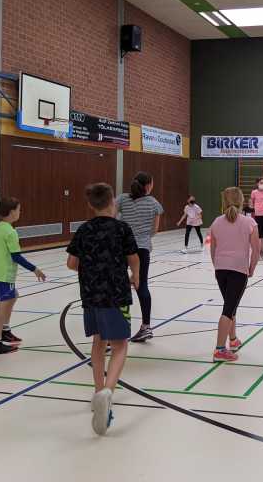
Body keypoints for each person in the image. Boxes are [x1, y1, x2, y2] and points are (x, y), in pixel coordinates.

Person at [68, 183, 140, 436]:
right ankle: (108, 391)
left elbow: (71, 263)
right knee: (120, 345)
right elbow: (133, 257)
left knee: (98, 342)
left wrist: (92, 269)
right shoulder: (122, 229)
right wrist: (136, 275)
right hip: (116, 294)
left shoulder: (84, 229)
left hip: (90, 294)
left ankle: (98, 390)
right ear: (113, 202)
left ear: (90, 205)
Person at [0, 197, 46, 355]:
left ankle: (5, 331)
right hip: (4, 275)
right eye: (19, 209)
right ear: (12, 212)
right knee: (2, 306)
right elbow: (16, 257)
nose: (20, 212)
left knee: (13, 296)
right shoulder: (10, 232)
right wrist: (35, 269)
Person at [209, 187, 260, 362]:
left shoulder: (216, 222)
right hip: (238, 270)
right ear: (241, 201)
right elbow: (256, 250)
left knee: (231, 305)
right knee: (228, 309)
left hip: (221, 270)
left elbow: (213, 249)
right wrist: (251, 268)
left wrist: (217, 266)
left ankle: (233, 339)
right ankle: (219, 349)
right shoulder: (249, 222)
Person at [116, 172, 163, 343]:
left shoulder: (122, 199)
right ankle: (146, 327)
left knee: (119, 286)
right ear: (148, 185)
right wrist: (142, 237)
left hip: (123, 248)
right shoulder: (154, 203)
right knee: (141, 286)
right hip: (142, 248)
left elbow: (111, 217)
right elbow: (154, 230)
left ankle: (117, 328)